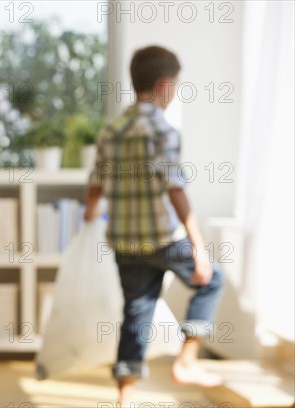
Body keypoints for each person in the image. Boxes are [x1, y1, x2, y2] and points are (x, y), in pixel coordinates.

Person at [84, 45, 224, 405]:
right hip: (161, 240)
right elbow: (175, 191)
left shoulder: (110, 130)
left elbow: (96, 184)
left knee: (135, 314)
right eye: (175, 85)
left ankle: (125, 396)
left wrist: (90, 213)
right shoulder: (162, 129)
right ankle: (187, 361)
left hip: (124, 244)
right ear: (164, 85)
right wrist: (199, 247)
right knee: (212, 281)